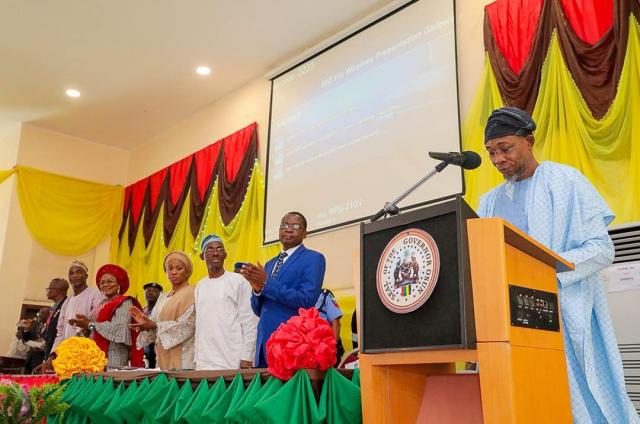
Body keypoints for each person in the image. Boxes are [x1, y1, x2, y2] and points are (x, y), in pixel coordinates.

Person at [479, 106, 639, 423]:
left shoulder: (566, 181)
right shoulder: (489, 202)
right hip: (507, 323)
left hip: (565, 316)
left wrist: (545, 274)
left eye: (505, 148)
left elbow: (601, 249)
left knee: (581, 403)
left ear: (529, 140)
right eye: (491, 152)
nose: (498, 160)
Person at [240, 211, 326, 368]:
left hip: (291, 343)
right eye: (284, 225)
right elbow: (259, 310)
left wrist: (267, 283)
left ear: (305, 234)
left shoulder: (313, 258)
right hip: (264, 341)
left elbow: (306, 300)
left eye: (295, 226)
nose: (288, 229)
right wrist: (257, 290)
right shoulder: (269, 264)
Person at [194, 234, 257, 370]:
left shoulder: (238, 281)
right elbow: (200, 325)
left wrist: (247, 356)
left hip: (231, 358)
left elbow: (249, 321)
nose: (215, 253)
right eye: (210, 249)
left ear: (225, 255)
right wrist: (197, 358)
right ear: (202, 256)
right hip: (204, 361)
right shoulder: (200, 286)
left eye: (219, 249)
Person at [130, 251, 196, 370]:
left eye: (179, 268)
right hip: (162, 354)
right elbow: (154, 325)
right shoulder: (163, 298)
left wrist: (155, 325)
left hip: (184, 356)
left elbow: (188, 325)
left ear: (187, 272)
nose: (174, 272)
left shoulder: (192, 292)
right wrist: (144, 323)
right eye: (170, 269)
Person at [68, 264, 144, 368]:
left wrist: (89, 325)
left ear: (119, 284)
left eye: (110, 281)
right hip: (95, 356)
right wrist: (83, 329)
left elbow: (119, 330)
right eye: (102, 282)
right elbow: (92, 328)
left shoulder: (125, 302)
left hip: (114, 356)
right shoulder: (101, 303)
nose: (105, 285)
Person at [52, 261, 104, 351]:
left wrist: (86, 326)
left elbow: (100, 325)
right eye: (71, 273)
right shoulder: (67, 301)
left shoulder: (95, 294)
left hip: (86, 351)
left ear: (86, 276)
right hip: (66, 352)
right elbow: (60, 332)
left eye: (79, 272)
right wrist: (54, 354)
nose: (74, 275)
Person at [315, 288, 344, 366]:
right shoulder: (297, 297)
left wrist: (332, 349)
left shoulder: (324, 296)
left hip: (326, 348)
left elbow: (336, 324)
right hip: (307, 351)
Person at [43, 278, 69, 358]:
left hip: (59, 352)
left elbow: (58, 331)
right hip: (49, 351)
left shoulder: (66, 305)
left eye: (49, 289)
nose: (48, 292)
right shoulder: (54, 308)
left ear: (57, 291)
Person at [142, 282, 163, 368]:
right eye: (148, 291)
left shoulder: (162, 309)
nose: (150, 293)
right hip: (145, 348)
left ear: (160, 295)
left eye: (154, 291)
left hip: (157, 347)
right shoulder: (142, 311)